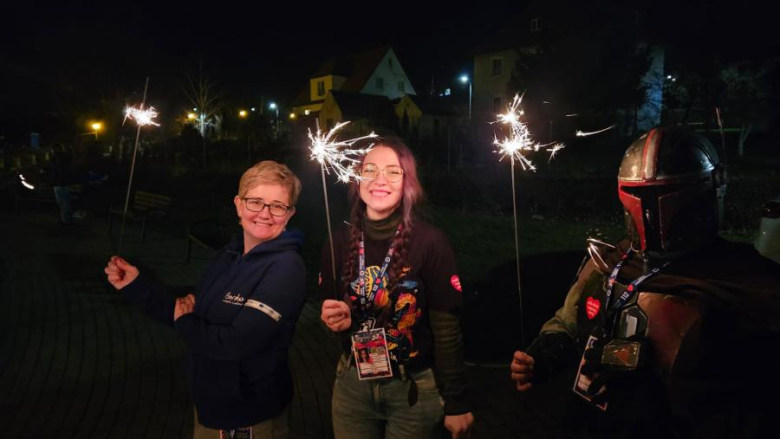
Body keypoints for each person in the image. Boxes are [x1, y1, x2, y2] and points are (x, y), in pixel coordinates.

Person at [510, 126, 780, 438]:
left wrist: (657, 405)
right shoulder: (610, 264)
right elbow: (568, 323)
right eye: (642, 196)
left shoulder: (751, 290)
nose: (651, 213)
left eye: (664, 195)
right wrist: (543, 357)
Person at [105, 161, 306, 438]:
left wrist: (186, 321)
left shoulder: (286, 268)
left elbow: (234, 344)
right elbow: (189, 312)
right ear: (238, 204)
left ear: (290, 213)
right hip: (211, 408)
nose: (265, 213)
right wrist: (137, 285)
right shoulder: (228, 254)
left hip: (248, 416)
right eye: (255, 202)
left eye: (277, 206)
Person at [319, 138, 474, 439]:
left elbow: (446, 329)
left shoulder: (431, 243)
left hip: (413, 390)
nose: (379, 180)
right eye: (370, 170)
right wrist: (337, 321)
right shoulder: (336, 241)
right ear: (357, 178)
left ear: (408, 182)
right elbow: (330, 319)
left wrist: (456, 401)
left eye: (393, 172)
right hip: (353, 385)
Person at [49, 143, 75, 224]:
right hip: (63, 182)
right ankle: (66, 219)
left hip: (59, 182)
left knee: (62, 201)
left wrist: (56, 180)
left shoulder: (58, 158)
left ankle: (65, 219)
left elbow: (58, 170)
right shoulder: (64, 157)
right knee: (65, 201)